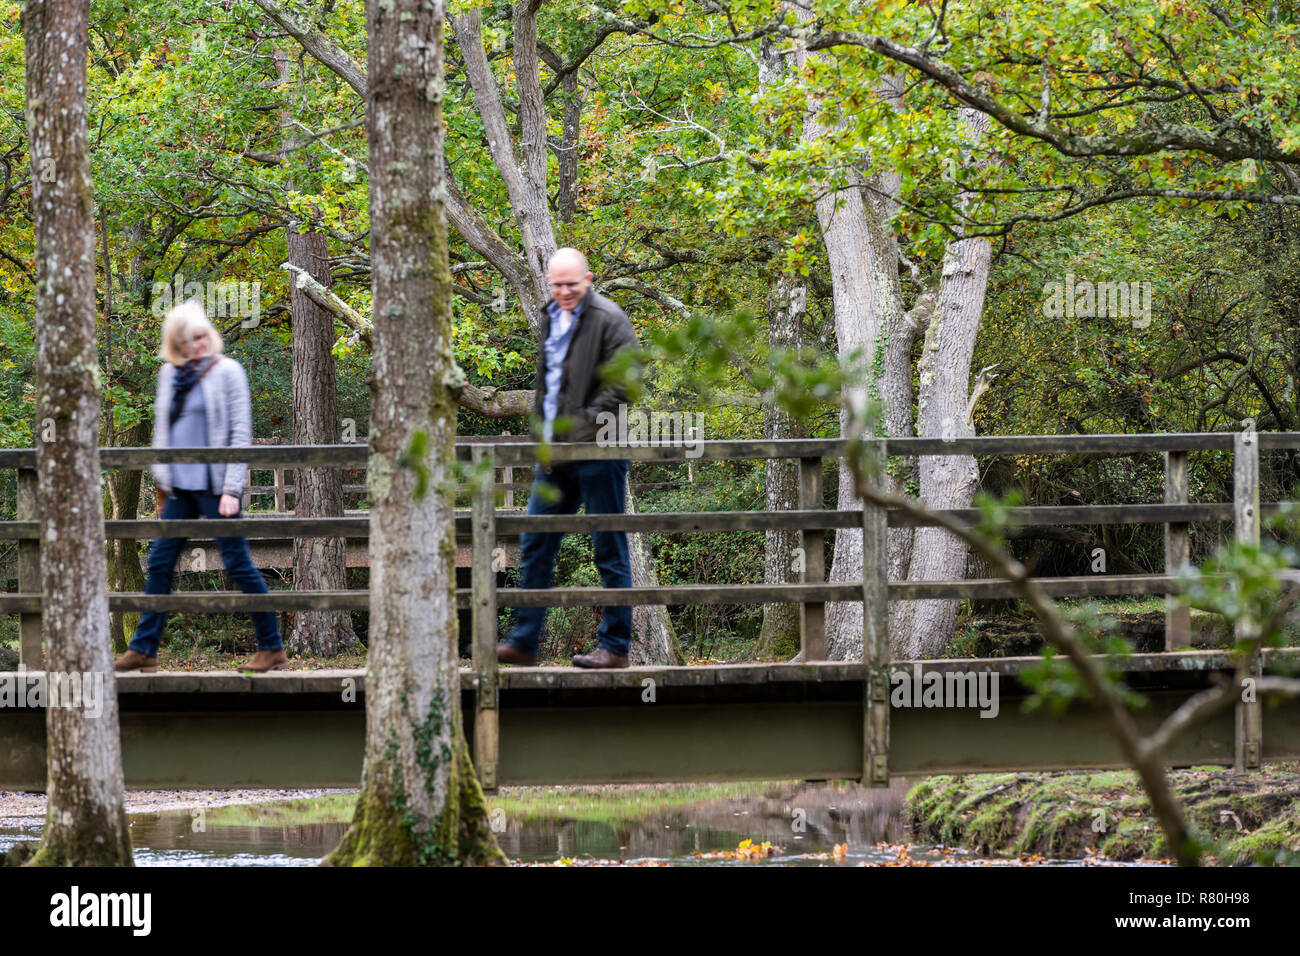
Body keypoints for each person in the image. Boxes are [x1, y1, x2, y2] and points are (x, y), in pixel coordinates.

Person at [113, 299, 286, 674]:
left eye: (202, 335)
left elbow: (240, 433)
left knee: (238, 564)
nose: (198, 344)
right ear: (176, 344)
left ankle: (271, 647)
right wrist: (162, 484)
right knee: (160, 563)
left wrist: (232, 490)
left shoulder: (228, 372)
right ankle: (144, 649)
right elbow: (163, 433)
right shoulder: (169, 375)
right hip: (179, 488)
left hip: (215, 486)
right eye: (188, 340)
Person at [497, 248, 639, 669]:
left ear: (588, 280)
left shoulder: (609, 318)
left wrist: (579, 427)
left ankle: (615, 648)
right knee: (535, 541)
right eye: (557, 285)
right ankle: (525, 642)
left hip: (600, 450)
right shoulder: (549, 316)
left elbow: (626, 383)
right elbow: (549, 386)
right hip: (555, 455)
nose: (564, 292)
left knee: (608, 548)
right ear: (548, 282)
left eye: (571, 284)